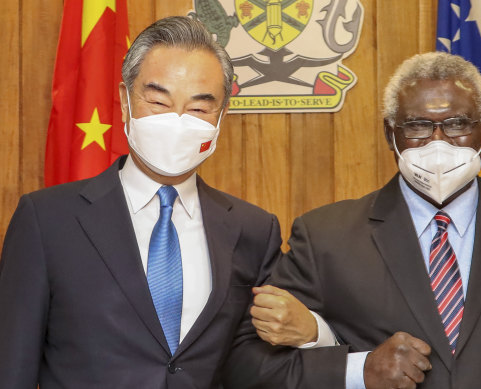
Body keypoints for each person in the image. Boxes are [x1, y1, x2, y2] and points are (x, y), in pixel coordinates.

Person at [223, 52, 481, 388]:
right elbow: (248, 366)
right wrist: (359, 370)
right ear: (390, 134)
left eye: (458, 124)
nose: (438, 143)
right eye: (418, 126)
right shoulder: (325, 239)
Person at [0, 16, 281, 388]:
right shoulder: (47, 220)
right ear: (124, 100)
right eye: (158, 101)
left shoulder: (254, 229)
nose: (177, 121)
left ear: (221, 115)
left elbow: (258, 363)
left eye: (198, 109)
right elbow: (11, 367)